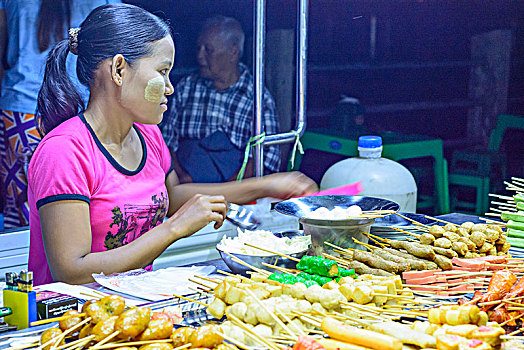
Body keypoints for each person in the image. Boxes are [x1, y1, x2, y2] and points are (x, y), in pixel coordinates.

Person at [28, 3, 316, 286]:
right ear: (118, 70)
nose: (170, 87)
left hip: (135, 310)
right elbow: (72, 271)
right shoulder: (64, 151)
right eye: (162, 71)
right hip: (68, 322)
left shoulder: (147, 135)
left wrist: (267, 186)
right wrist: (175, 228)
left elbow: (172, 196)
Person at [0, 0, 120, 228]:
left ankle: (45, 260)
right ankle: (72, 255)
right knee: (80, 194)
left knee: (24, 204)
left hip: (22, 109)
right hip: (84, 107)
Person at [160, 15, 281, 183]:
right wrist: (181, 178)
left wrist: (225, 192)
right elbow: (166, 143)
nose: (200, 56)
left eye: (208, 50)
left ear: (233, 52)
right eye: (199, 48)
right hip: (184, 188)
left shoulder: (258, 101)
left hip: (233, 195)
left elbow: (264, 161)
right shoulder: (186, 87)